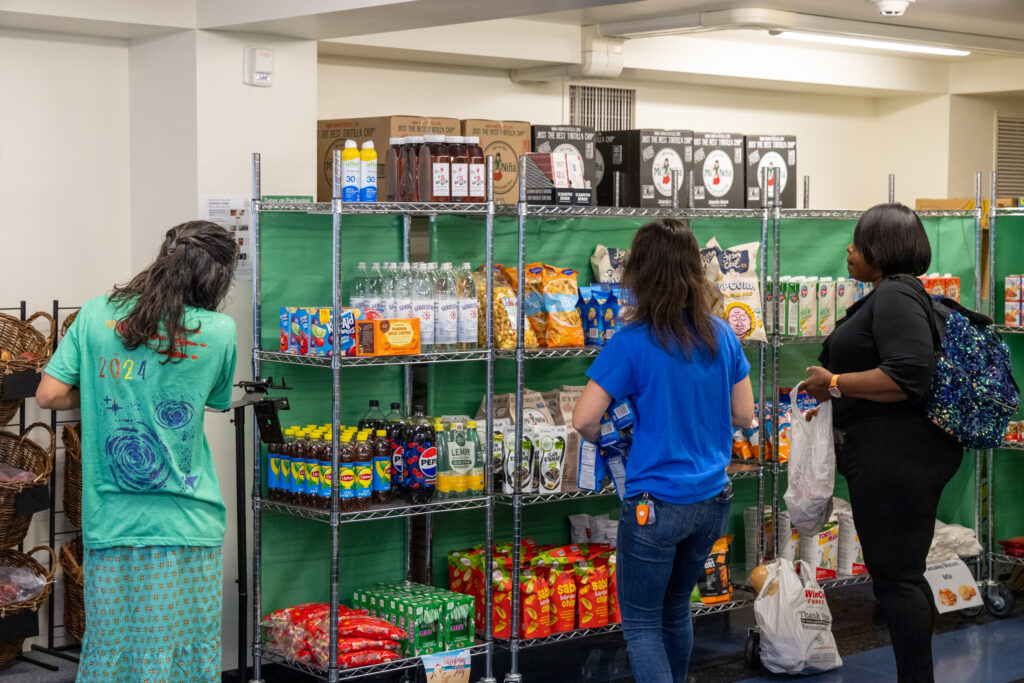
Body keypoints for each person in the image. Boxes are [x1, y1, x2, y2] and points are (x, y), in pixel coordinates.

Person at [37, 221, 238, 682]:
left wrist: (103, 386)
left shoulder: (93, 315)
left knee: (113, 651)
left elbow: (48, 395)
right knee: (187, 654)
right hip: (189, 519)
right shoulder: (219, 331)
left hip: (113, 517)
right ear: (214, 276)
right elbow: (216, 398)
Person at [573, 218, 754, 683]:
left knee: (640, 623)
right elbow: (743, 414)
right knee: (675, 612)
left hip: (655, 505)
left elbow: (583, 419)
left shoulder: (631, 343)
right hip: (712, 499)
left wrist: (618, 440)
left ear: (640, 275)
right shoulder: (722, 334)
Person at [800, 202, 961, 683]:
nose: (849, 249)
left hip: (897, 458)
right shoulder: (892, 295)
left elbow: (908, 375)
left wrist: (835, 383)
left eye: (858, 241)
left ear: (882, 249)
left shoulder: (894, 295)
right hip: (895, 456)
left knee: (898, 580)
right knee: (900, 577)